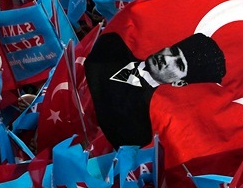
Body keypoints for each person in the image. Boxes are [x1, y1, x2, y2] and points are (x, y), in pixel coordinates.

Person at [85, 32, 226, 147]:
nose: (167, 58)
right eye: (173, 50)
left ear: (179, 83)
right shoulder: (111, 44)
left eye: (179, 64)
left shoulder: (138, 129)